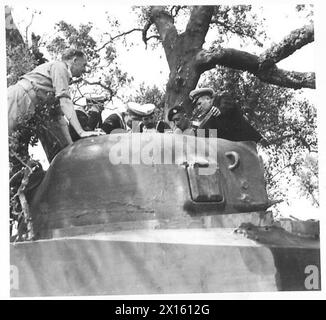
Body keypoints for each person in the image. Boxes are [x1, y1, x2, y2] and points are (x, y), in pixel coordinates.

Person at [8, 48, 103, 140]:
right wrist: (81, 132)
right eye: (84, 65)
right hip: (19, 96)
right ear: (75, 60)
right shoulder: (61, 67)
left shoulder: (59, 77)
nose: (85, 70)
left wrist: (70, 144)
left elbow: (59, 117)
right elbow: (65, 102)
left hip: (26, 101)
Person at [189, 87, 262, 142]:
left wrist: (220, 110)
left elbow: (228, 106)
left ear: (208, 99)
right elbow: (208, 137)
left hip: (246, 142)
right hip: (229, 148)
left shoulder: (221, 98)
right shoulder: (208, 119)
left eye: (199, 104)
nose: (198, 108)